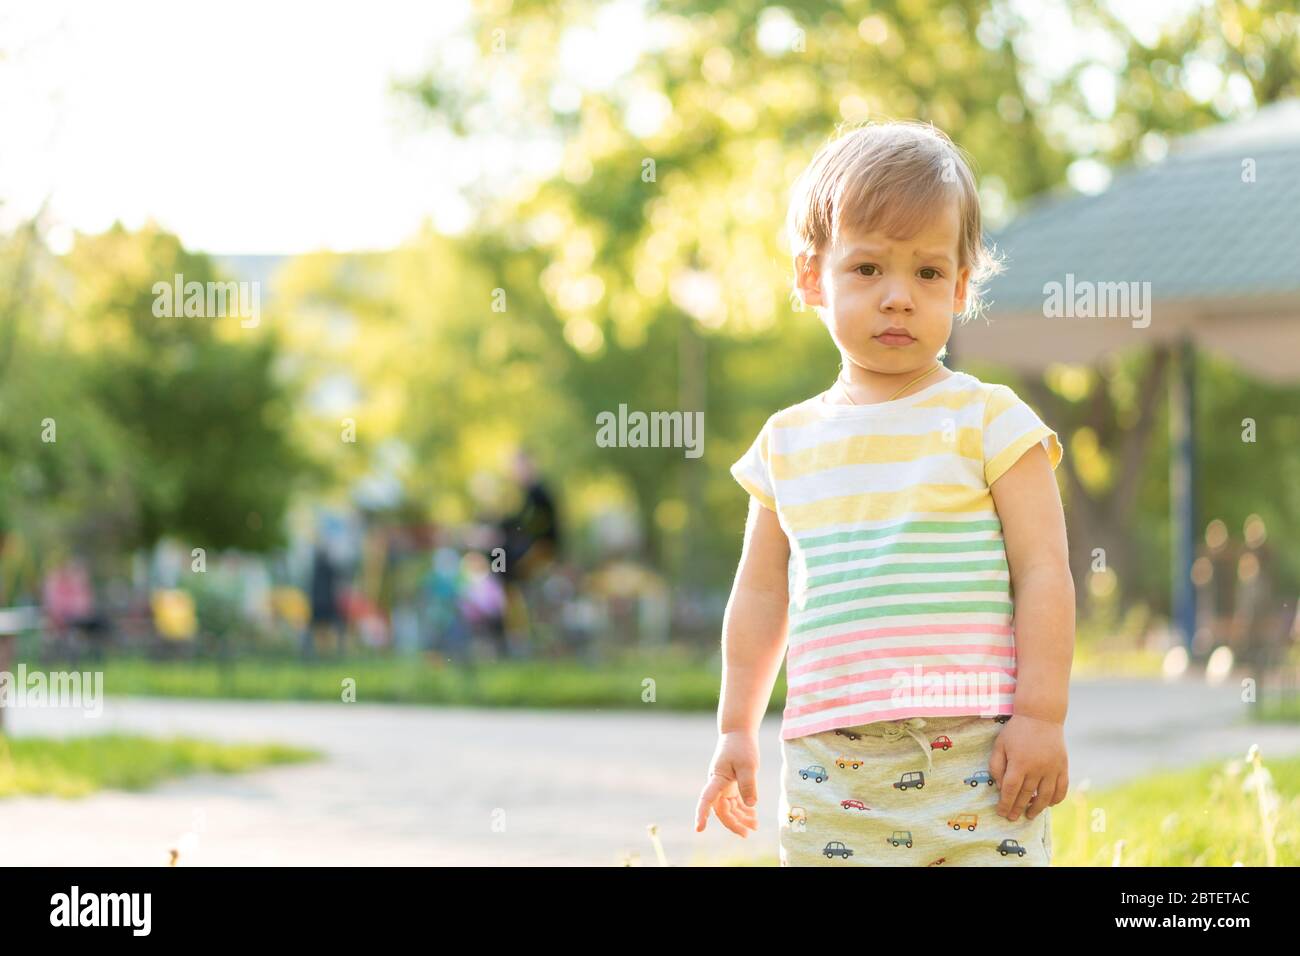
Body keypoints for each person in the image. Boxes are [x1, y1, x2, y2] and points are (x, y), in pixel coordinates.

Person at [694, 122, 1074, 867]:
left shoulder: (993, 422)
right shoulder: (786, 442)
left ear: (961, 287)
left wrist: (1041, 714)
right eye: (867, 269)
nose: (899, 297)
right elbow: (761, 594)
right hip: (832, 764)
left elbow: (1045, 573)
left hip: (980, 755)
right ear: (812, 278)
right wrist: (735, 728)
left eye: (928, 274)